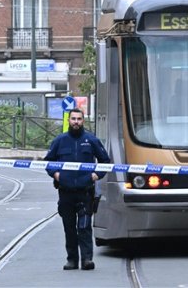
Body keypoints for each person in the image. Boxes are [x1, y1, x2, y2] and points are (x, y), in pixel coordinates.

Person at [44, 108, 110, 271]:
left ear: (83, 121)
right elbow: (48, 162)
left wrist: (96, 175)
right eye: (73, 119)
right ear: (68, 121)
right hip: (65, 192)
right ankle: (72, 260)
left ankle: (87, 259)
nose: (76, 122)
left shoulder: (91, 140)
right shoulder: (59, 141)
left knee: (84, 226)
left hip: (85, 191)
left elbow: (105, 161)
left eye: (79, 119)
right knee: (69, 227)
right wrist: (56, 174)